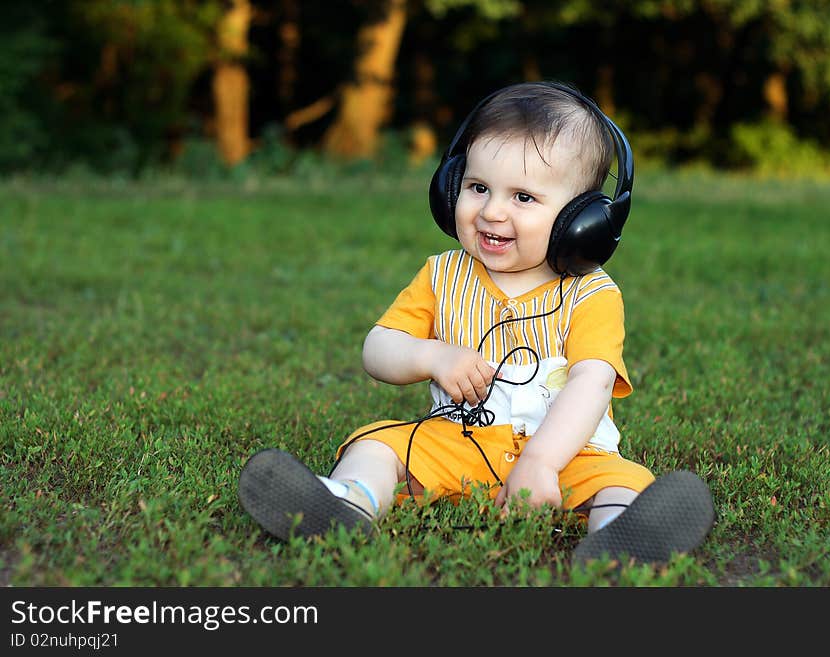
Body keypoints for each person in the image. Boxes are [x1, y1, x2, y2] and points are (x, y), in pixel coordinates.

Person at [238, 80, 715, 564]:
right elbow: (377, 348)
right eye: (478, 187)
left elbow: (592, 383)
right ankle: (349, 503)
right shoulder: (442, 274)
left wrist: (540, 462)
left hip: (567, 457)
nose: (491, 211)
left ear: (583, 221)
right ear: (450, 188)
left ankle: (619, 538)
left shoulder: (591, 294)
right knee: (378, 444)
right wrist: (430, 354)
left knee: (620, 480)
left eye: (523, 198)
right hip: (457, 441)